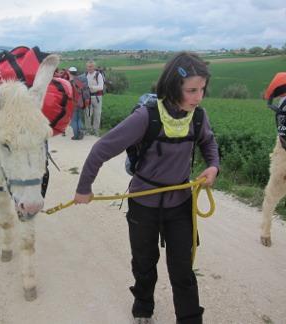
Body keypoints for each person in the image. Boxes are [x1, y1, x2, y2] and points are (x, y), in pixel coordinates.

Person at [73, 52, 220, 324]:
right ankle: (143, 307)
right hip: (144, 205)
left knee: (183, 270)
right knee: (144, 262)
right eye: (192, 90)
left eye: (202, 89)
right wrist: (84, 188)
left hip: (180, 204)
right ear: (174, 87)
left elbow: (209, 144)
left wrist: (213, 166)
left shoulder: (198, 117)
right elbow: (100, 149)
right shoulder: (146, 117)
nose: (199, 97)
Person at [85, 59, 104, 136]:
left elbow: (101, 87)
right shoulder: (86, 74)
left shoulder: (98, 75)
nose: (89, 68)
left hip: (97, 97)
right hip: (88, 97)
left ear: (94, 67)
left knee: (97, 114)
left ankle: (96, 131)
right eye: (88, 67)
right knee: (87, 114)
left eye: (91, 66)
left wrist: (91, 87)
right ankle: (88, 130)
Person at [68, 66, 88, 140]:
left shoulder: (70, 82)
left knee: (74, 120)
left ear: (70, 73)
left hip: (73, 103)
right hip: (81, 102)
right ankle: (81, 133)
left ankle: (76, 136)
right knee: (79, 118)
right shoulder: (80, 80)